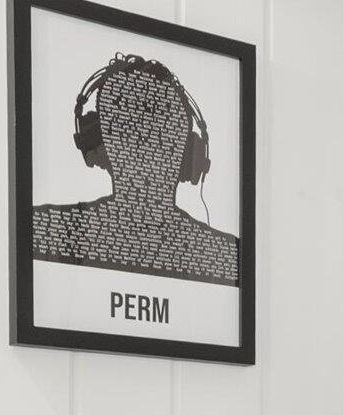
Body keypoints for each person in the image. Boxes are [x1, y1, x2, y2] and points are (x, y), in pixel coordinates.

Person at [32, 53, 239, 284]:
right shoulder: (46, 231)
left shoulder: (224, 255)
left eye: (164, 136)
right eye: (129, 133)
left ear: (189, 152)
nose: (148, 152)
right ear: (98, 145)